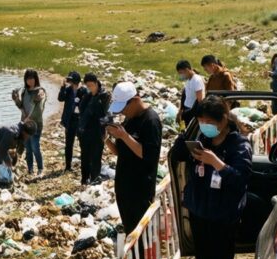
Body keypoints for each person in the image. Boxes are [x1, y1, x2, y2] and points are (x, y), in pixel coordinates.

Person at [169, 96, 252, 259]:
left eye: (208, 121)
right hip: (200, 214)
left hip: (222, 219)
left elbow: (239, 179)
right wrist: (189, 132)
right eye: (201, 121)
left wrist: (215, 162)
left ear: (223, 120)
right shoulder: (202, 139)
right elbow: (177, 153)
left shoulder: (238, 145)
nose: (204, 125)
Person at [105, 82, 163, 240]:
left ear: (136, 99)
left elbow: (148, 155)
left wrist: (124, 136)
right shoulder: (129, 120)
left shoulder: (151, 120)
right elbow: (120, 152)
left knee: (142, 235)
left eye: (124, 107)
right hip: (124, 187)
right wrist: (107, 140)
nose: (123, 111)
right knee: (130, 230)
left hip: (140, 189)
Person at [12, 69, 47, 175]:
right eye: (28, 79)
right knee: (28, 147)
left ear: (36, 79)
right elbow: (21, 106)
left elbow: (40, 107)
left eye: (32, 78)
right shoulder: (24, 92)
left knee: (35, 146)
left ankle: (40, 168)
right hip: (24, 124)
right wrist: (16, 100)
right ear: (25, 80)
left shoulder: (41, 91)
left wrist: (30, 116)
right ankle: (30, 169)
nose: (30, 81)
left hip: (36, 123)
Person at [77, 73, 109, 185]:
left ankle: (94, 180)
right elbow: (81, 110)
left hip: (97, 131)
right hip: (85, 131)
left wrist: (106, 130)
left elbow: (104, 114)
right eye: (88, 86)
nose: (90, 88)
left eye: (91, 85)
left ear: (96, 83)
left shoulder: (104, 95)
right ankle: (84, 180)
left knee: (96, 158)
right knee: (85, 157)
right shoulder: (88, 95)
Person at [58, 71, 87, 172]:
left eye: (71, 81)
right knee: (68, 144)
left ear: (76, 81)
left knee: (82, 144)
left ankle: (85, 165)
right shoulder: (68, 90)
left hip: (80, 121)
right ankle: (68, 166)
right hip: (70, 121)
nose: (70, 83)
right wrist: (62, 86)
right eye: (69, 81)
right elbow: (60, 98)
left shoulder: (84, 91)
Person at [175, 60, 205, 125]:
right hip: (186, 110)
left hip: (192, 112)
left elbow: (200, 100)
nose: (181, 75)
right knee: (183, 129)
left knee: (189, 131)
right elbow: (184, 97)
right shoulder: (188, 80)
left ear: (187, 70)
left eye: (181, 73)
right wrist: (180, 112)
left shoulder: (197, 80)